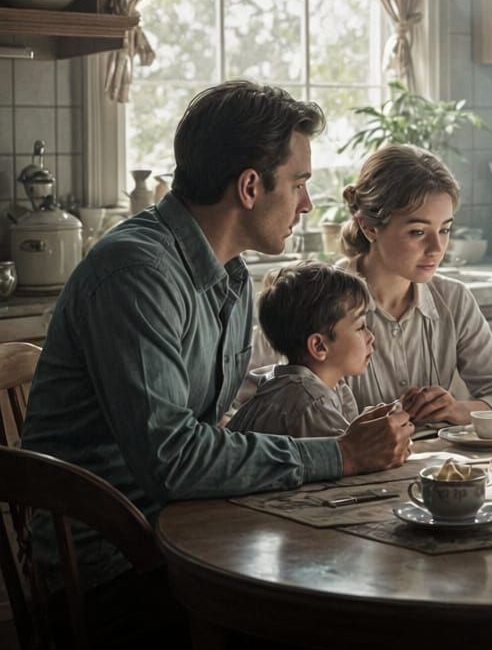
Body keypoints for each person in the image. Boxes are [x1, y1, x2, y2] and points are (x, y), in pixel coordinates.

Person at [21, 81, 414, 596]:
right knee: (356, 614)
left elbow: (207, 427)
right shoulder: (137, 274)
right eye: (298, 184)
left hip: (182, 531)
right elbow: (174, 460)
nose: (307, 205)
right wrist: (340, 454)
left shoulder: (228, 275)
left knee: (368, 568)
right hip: (110, 569)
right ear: (250, 187)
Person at [253, 144, 492, 424]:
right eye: (418, 232)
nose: (437, 248)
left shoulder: (453, 299)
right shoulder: (312, 298)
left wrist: (456, 409)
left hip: (433, 466)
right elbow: (245, 404)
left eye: (445, 229)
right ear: (369, 227)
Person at [228, 260, 376, 437]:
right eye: (360, 327)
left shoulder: (329, 387)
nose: (371, 337)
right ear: (319, 346)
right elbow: (355, 457)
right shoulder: (308, 402)